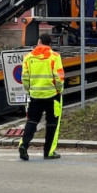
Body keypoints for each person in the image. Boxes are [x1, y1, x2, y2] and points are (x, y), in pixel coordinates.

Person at [18, 33, 65, 161]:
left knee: (32, 121)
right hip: (52, 96)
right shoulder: (55, 56)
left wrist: (30, 90)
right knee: (52, 124)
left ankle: (24, 145)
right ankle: (48, 152)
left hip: (35, 95)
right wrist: (59, 90)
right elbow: (59, 77)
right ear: (50, 44)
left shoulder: (28, 57)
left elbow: (24, 77)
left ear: (39, 42)